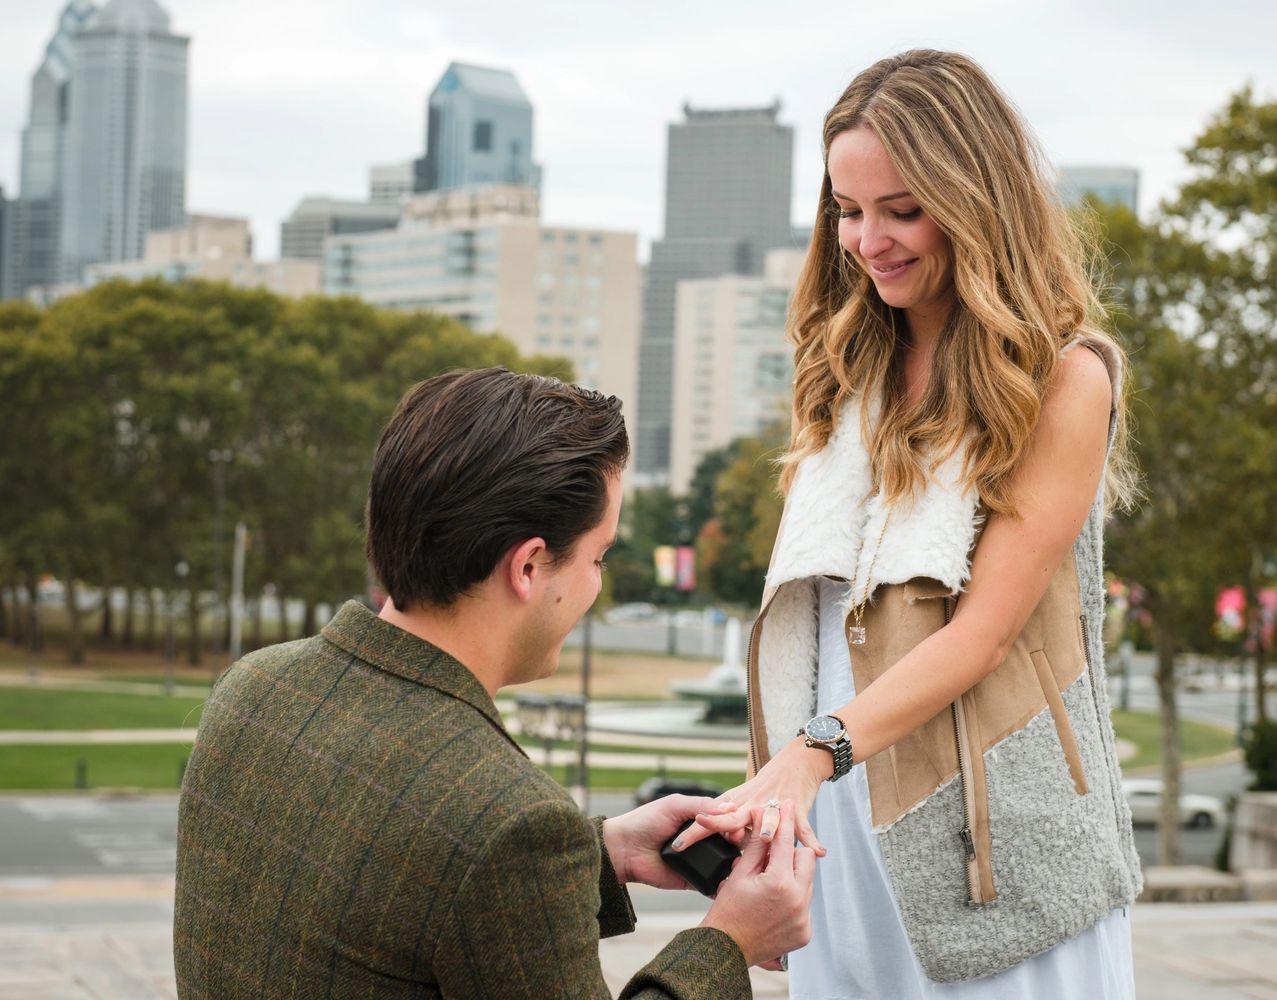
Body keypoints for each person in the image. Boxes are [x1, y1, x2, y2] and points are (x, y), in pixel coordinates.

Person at [678, 50, 1142, 996]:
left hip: (997, 836)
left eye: (901, 210)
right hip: (846, 814)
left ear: (975, 200)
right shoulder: (847, 373)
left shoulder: (1064, 377)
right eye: (849, 211)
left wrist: (812, 755)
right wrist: (782, 807)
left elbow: (983, 632)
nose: (868, 240)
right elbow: (820, 624)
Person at [174, 369, 814, 998]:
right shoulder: (509, 821)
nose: (597, 581)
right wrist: (729, 942)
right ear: (530, 566)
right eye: (599, 557)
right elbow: (467, 849)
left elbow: (386, 900)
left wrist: (598, 852)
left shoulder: (253, 688)